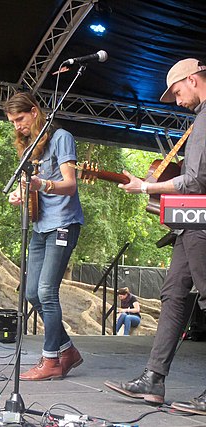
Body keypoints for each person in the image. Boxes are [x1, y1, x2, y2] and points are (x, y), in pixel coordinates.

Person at [105, 58, 206, 415]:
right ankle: (153, 378)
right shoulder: (199, 121)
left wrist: (146, 186)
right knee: (174, 295)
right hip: (189, 222)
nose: (177, 100)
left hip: (202, 221)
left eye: (178, 92)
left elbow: (195, 181)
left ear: (193, 80)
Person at [5, 92, 84, 381]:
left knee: (47, 291)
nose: (17, 126)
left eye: (20, 119)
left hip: (63, 223)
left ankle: (51, 359)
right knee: (30, 293)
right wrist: (22, 191)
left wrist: (42, 184)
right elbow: (32, 186)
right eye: (12, 121)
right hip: (40, 225)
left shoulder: (61, 137)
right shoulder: (29, 145)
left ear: (35, 112)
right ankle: (67, 350)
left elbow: (70, 185)